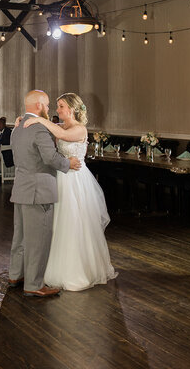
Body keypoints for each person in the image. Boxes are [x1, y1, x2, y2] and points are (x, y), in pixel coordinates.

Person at [23, 92, 117, 292]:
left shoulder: (79, 130)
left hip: (75, 181)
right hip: (60, 178)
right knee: (57, 224)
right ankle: (52, 268)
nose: (58, 110)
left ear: (72, 109)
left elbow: (62, 136)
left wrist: (38, 118)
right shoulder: (61, 125)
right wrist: (27, 119)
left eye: (61, 106)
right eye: (56, 106)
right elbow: (53, 128)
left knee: (73, 223)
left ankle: (76, 271)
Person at [9, 90, 81, 298]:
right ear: (39, 105)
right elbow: (50, 157)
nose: (49, 109)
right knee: (38, 239)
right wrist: (68, 163)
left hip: (21, 188)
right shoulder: (39, 128)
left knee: (20, 236)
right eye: (48, 105)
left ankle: (15, 275)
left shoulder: (17, 128)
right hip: (38, 190)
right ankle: (33, 284)